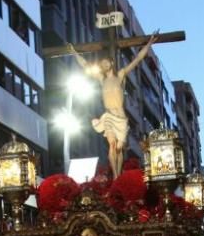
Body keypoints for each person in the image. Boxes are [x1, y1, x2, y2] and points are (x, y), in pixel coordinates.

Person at [67, 32, 159, 177]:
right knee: (112, 145)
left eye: (106, 63)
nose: (104, 65)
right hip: (108, 115)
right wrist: (74, 52)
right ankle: (116, 176)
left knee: (119, 149)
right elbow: (85, 64)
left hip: (120, 116)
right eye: (102, 64)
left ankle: (118, 174)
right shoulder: (101, 79)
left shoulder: (120, 75)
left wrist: (149, 43)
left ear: (112, 63)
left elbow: (137, 59)